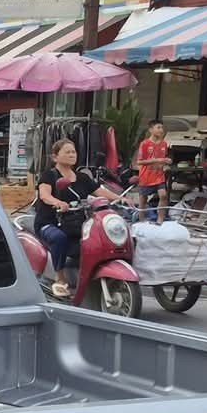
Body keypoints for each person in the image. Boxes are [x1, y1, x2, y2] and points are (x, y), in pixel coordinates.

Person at [35, 139, 124, 299]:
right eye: (67, 152)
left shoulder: (82, 177)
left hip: (75, 223)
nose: (72, 155)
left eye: (74, 152)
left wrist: (121, 199)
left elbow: (100, 192)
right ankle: (60, 278)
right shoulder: (49, 175)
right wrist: (57, 202)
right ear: (55, 157)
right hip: (50, 222)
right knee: (59, 238)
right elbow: (44, 195)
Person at [135, 121, 172, 224]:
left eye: (162, 128)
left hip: (159, 176)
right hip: (146, 177)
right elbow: (139, 161)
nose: (161, 130)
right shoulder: (145, 144)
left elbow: (162, 159)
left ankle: (160, 220)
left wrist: (166, 161)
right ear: (151, 130)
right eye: (158, 127)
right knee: (143, 201)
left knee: (163, 196)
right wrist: (158, 160)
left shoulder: (164, 144)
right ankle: (141, 221)